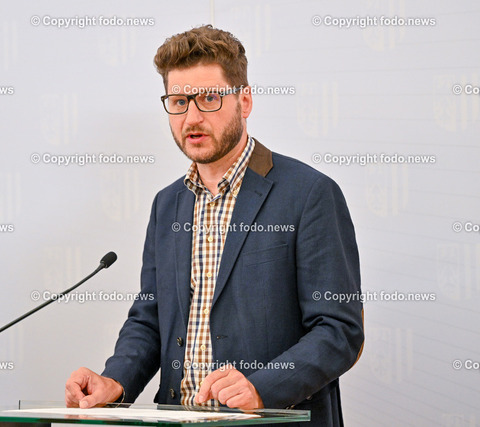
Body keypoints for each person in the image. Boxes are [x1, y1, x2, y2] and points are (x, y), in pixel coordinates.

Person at [66, 25, 364, 426]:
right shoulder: (167, 204)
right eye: (178, 101)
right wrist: (114, 381)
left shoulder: (309, 193)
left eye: (209, 98)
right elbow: (150, 318)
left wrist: (262, 388)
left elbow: (339, 330)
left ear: (244, 100)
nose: (192, 117)